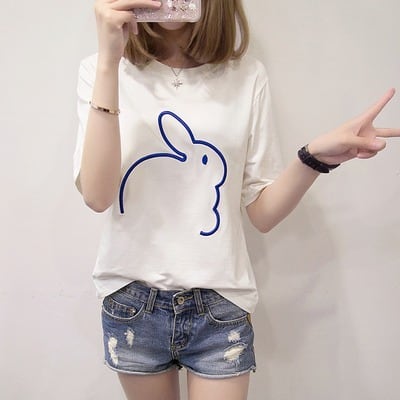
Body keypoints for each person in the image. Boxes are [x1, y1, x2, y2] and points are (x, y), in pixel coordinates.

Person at [73, 1, 400, 399]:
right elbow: (97, 195)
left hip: (219, 303)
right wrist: (110, 60)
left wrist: (314, 158)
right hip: (133, 302)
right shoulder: (100, 70)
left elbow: (261, 212)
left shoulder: (246, 76)